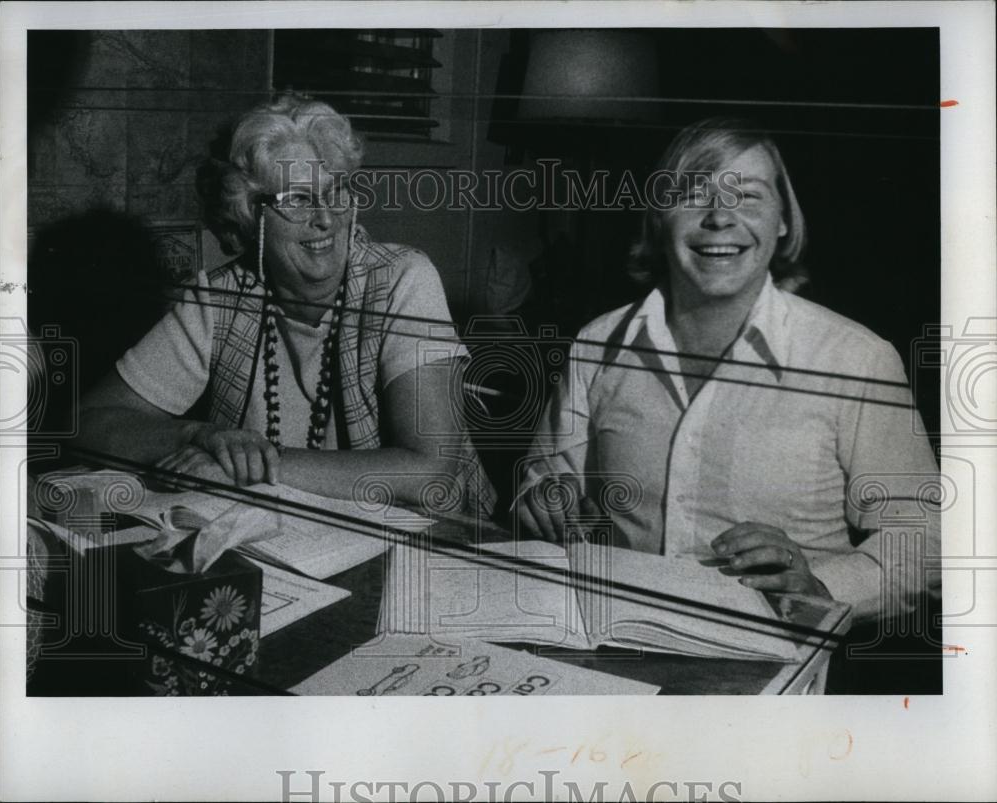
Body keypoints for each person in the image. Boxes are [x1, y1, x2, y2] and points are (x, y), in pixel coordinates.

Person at [515, 118, 939, 622]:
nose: (720, 217)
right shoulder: (597, 345)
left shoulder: (856, 359)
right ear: (658, 218)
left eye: (750, 196)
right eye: (694, 194)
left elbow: (928, 542)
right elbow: (541, 484)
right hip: (616, 651)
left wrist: (822, 586)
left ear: (783, 221)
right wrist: (540, 500)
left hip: (776, 673)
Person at [78, 93, 495, 515]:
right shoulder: (218, 300)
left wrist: (257, 469)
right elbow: (89, 421)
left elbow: (430, 474)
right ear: (248, 217)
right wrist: (198, 436)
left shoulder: (403, 278)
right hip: (292, 546)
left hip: (439, 546)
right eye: (297, 200)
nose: (326, 218)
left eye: (335, 191)